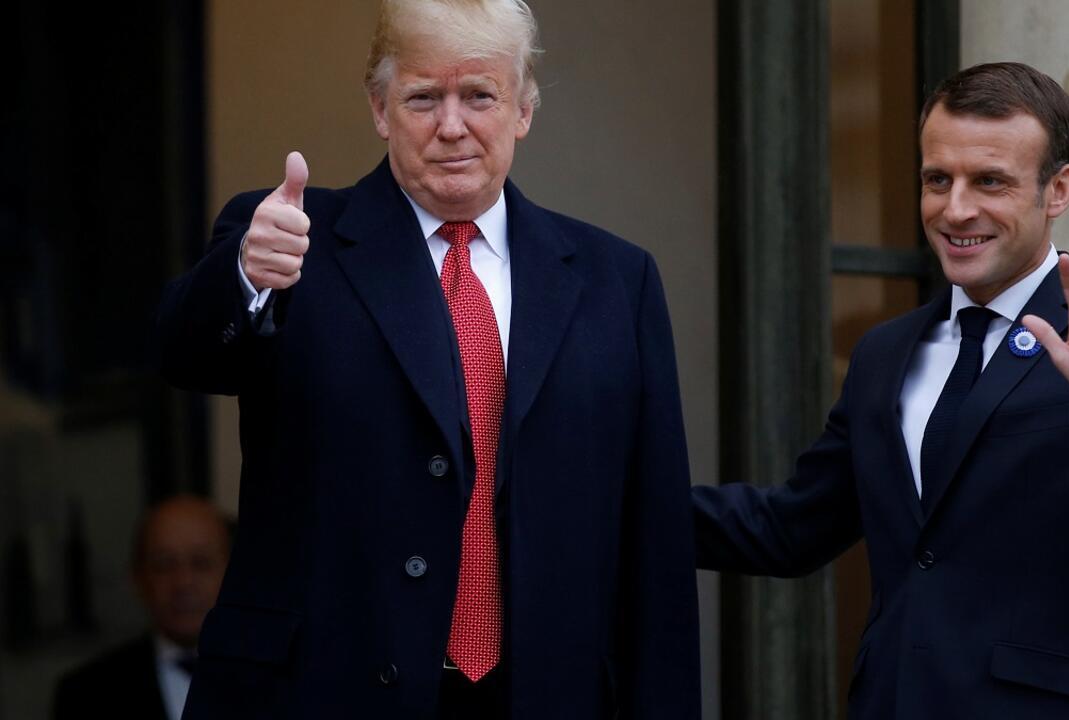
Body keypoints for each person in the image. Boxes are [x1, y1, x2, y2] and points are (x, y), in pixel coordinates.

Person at [155, 1, 700, 718]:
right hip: (321, 693)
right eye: (422, 97)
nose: (452, 125)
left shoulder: (616, 282)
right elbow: (183, 355)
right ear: (381, 108)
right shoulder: (292, 242)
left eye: (479, 95)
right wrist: (249, 277)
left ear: (524, 109)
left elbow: (654, 547)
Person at [694, 62, 1069, 719]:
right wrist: (608, 498)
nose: (955, 209)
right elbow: (790, 529)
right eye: (936, 180)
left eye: (990, 182)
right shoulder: (884, 354)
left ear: (1057, 190)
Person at [52, 496, 231, 720]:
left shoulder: (275, 679)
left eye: (201, 562)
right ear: (138, 578)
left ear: (233, 574)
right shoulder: (85, 693)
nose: (183, 582)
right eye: (164, 564)